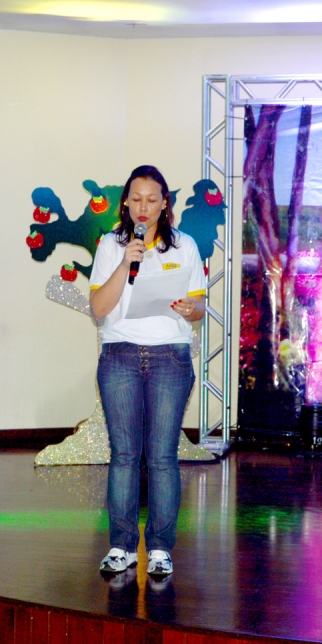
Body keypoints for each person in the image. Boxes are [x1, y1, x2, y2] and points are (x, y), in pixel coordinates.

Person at [89, 165, 205, 577]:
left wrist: (191, 308)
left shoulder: (185, 246)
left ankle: (159, 547)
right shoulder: (110, 245)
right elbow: (98, 308)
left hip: (169, 357)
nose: (144, 207)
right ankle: (121, 546)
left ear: (164, 203)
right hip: (119, 353)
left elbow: (199, 307)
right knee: (124, 454)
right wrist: (125, 264)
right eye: (136, 199)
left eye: (152, 199)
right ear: (125, 202)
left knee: (161, 457)